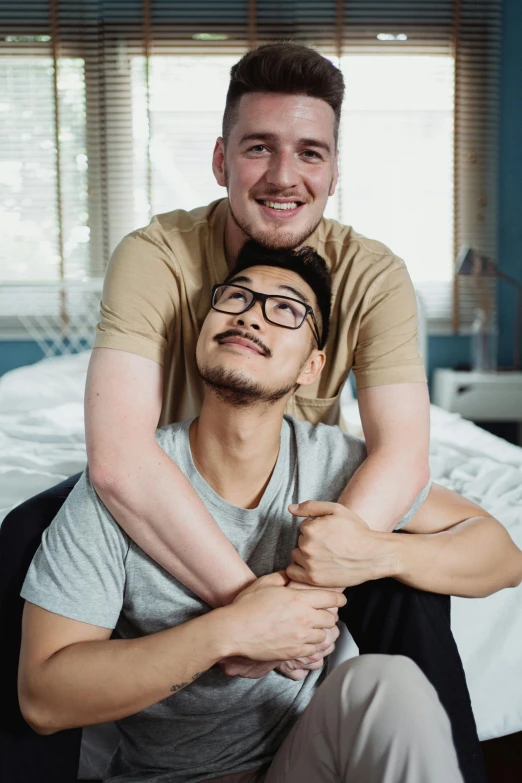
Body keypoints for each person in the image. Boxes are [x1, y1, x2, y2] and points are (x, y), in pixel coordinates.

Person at [18, 242, 522, 783]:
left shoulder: (336, 464)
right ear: (201, 336)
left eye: (285, 308)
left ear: (312, 367)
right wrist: (229, 631)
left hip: (305, 762)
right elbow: (44, 699)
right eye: (235, 298)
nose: (251, 315)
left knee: (388, 685)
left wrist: (380, 551)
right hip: (169, 776)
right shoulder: (124, 483)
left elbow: (502, 554)